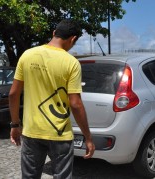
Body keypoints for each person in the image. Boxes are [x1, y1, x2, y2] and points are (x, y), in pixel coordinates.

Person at [9, 19, 95, 179]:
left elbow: (13, 94)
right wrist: (88, 138)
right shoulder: (72, 63)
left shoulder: (27, 55)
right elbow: (75, 104)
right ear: (73, 39)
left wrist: (15, 124)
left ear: (54, 33)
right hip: (60, 135)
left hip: (31, 132)